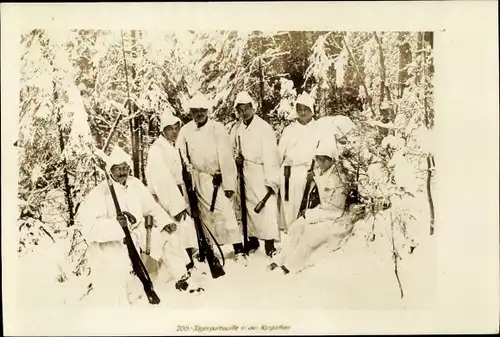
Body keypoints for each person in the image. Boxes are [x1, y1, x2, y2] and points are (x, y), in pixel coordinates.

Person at [77, 146, 197, 306]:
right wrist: (116, 226)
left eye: (125, 168)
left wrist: (165, 222)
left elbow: (151, 207)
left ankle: (182, 279)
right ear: (110, 170)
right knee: (120, 271)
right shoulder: (100, 192)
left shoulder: (135, 184)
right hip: (115, 241)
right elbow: (89, 228)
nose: (122, 172)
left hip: (140, 232)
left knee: (168, 238)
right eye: (117, 169)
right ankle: (132, 298)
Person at [268, 137, 366, 275]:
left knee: (309, 234)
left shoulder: (338, 178)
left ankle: (291, 265)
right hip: (322, 213)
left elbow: (336, 209)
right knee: (296, 226)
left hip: (335, 218)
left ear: (332, 159)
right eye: (318, 159)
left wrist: (310, 214)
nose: (320, 163)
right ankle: (281, 259)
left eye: (323, 159)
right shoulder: (322, 171)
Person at [176, 93, 246, 262]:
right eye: (195, 111)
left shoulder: (217, 129)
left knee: (226, 212)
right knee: (203, 216)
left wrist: (227, 182)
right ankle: (208, 248)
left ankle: (238, 249)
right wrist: (189, 173)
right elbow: (180, 155)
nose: (199, 114)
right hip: (197, 179)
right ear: (191, 113)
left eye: (202, 110)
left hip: (216, 180)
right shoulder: (185, 131)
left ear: (207, 111)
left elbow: (226, 156)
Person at [145, 110, 199, 270]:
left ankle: (189, 264)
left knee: (184, 230)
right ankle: (181, 268)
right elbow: (161, 180)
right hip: (166, 198)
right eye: (170, 128)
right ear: (163, 130)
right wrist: (174, 206)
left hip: (177, 193)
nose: (174, 131)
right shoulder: (157, 149)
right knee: (174, 232)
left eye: (176, 128)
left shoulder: (171, 146)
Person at [230, 91, 280, 258]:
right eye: (240, 110)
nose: (243, 113)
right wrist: (236, 159)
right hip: (244, 172)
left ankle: (270, 244)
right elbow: (232, 150)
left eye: (246, 109)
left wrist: (271, 180)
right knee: (248, 208)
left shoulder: (264, 128)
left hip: (261, 172)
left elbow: (271, 155)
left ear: (253, 108)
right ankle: (252, 239)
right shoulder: (237, 129)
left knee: (265, 208)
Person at [278, 92, 321, 232]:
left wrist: (317, 171)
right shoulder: (289, 130)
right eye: (300, 109)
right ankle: (290, 236)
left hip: (310, 174)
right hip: (290, 175)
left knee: (308, 209)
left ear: (311, 110)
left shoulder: (318, 129)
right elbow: (279, 154)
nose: (303, 112)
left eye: (306, 109)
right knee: (290, 208)